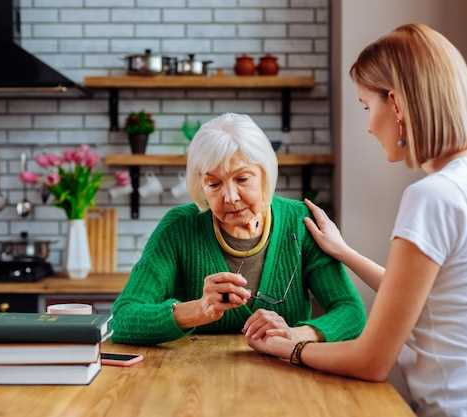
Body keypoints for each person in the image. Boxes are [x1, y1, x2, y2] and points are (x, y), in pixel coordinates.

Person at [246, 23, 467, 416]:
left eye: (366, 106)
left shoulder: (433, 197)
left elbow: (372, 361)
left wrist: (291, 348)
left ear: (395, 104)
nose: (369, 125)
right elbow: (438, 296)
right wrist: (343, 252)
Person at [111, 113, 366, 346]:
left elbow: (351, 312)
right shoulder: (179, 226)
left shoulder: (300, 222)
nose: (230, 197)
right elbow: (122, 318)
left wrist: (296, 334)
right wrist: (198, 310)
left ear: (265, 174)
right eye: (214, 184)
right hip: (192, 384)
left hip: (287, 378)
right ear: (201, 186)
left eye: (242, 179)